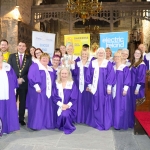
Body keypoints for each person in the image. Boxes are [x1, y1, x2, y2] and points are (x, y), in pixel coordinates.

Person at [86, 47, 115, 130]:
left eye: (102, 53)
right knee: (95, 103)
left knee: (103, 104)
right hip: (95, 88)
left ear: (104, 54)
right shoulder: (93, 63)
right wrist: (89, 85)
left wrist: (109, 86)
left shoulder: (108, 63)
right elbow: (88, 74)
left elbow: (111, 75)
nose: (100, 54)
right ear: (96, 54)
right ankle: (95, 122)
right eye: (99, 52)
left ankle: (103, 122)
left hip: (104, 88)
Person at [27, 53, 56, 130]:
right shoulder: (35, 66)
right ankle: (36, 125)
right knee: (38, 107)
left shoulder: (50, 69)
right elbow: (31, 76)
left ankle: (47, 124)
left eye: (47, 58)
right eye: (43, 58)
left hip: (48, 91)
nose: (45, 59)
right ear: (40, 59)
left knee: (47, 107)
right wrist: (36, 86)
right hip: (39, 91)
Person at [8, 41, 32, 126]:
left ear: (25, 48)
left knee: (23, 101)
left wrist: (22, 79)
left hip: (24, 83)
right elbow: (9, 69)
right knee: (12, 100)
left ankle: (21, 118)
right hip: (13, 83)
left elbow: (30, 71)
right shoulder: (12, 56)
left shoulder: (29, 58)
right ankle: (11, 117)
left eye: (23, 46)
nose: (21, 47)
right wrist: (15, 79)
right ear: (17, 47)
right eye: (20, 46)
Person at [53, 67, 78, 134]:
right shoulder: (56, 83)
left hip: (69, 106)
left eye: (65, 73)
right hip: (58, 105)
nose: (64, 75)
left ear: (69, 74)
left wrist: (67, 106)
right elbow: (54, 96)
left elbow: (74, 97)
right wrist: (61, 105)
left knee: (65, 114)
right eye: (62, 73)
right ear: (60, 74)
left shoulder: (72, 83)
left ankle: (68, 126)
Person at [0, 51, 19, 135]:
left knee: (6, 109)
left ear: (3, 57)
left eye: (0, 56)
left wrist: (14, 90)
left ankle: (6, 128)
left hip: (7, 93)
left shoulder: (7, 67)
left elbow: (14, 79)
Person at [71, 49, 91, 123]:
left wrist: (90, 85)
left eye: (85, 54)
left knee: (86, 101)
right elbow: (74, 73)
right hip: (77, 84)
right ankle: (78, 118)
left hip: (86, 85)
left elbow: (91, 75)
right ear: (81, 55)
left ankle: (85, 119)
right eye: (83, 54)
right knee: (78, 101)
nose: (84, 55)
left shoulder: (90, 64)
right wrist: (73, 65)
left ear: (88, 55)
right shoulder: (77, 63)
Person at [112, 52, 131, 130]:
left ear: (121, 57)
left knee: (120, 106)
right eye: (115, 56)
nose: (116, 58)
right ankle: (114, 122)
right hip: (113, 90)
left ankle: (119, 124)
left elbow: (128, 78)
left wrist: (125, 89)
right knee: (113, 106)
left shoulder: (125, 68)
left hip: (121, 90)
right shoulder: (112, 67)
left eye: (118, 56)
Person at [129, 49, 146, 128]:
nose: (137, 54)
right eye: (136, 53)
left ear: (141, 55)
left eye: (139, 53)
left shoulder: (142, 64)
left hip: (137, 88)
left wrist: (137, 88)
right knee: (132, 105)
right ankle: (132, 122)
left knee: (137, 105)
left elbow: (141, 77)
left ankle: (138, 125)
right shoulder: (132, 63)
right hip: (131, 87)